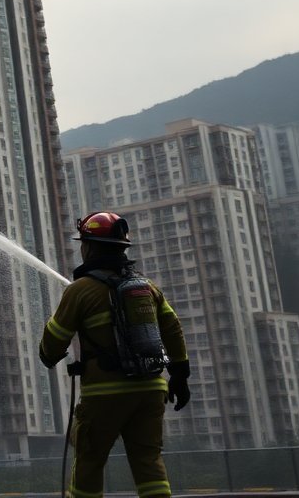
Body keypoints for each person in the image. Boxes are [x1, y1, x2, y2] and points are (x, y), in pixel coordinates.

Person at [40, 211, 189, 498]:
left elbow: (53, 345)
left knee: (90, 461)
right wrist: (180, 375)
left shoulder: (80, 290)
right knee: (148, 462)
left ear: (90, 247)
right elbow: (173, 329)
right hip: (151, 389)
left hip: (104, 392)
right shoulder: (147, 288)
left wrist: (48, 349)